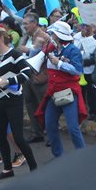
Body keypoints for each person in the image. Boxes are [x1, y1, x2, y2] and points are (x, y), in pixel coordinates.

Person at [0, 27, 37, 179]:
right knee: (0, 135)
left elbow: (27, 73)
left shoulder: (15, 55)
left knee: (18, 137)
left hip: (14, 100)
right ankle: (7, 169)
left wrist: (8, 81)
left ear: (1, 38)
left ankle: (34, 168)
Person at [39, 20, 88, 157]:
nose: (51, 35)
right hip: (53, 92)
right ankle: (58, 155)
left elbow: (77, 70)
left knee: (73, 127)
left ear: (58, 35)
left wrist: (59, 63)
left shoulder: (73, 50)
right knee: (49, 124)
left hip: (69, 92)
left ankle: (83, 156)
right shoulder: (51, 48)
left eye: (53, 33)